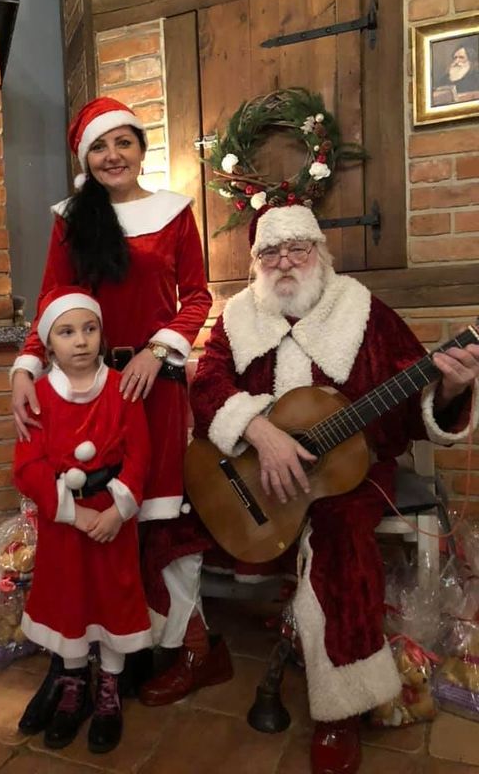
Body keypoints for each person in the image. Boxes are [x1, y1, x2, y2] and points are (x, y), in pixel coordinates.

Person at [189, 203, 479, 774]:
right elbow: (207, 386)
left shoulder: (365, 312)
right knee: (169, 518)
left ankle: (340, 705)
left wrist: (449, 391)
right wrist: (259, 431)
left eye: (297, 248)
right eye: (270, 252)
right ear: (255, 262)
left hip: (352, 475)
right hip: (252, 471)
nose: (284, 262)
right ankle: (191, 653)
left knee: (340, 539)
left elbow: (413, 409)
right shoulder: (237, 317)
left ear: (320, 253)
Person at [11, 96, 231, 712]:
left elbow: (197, 297)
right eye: (100, 147)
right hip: (83, 385)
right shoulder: (70, 220)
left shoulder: (174, 213)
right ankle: (76, 655)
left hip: (152, 386)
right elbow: (52, 298)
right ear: (87, 158)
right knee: (84, 510)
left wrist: (157, 351)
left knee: (159, 517)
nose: (113, 156)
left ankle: (171, 645)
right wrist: (27, 365)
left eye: (123, 143)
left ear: (140, 148)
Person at [14, 285, 152, 752]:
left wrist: (116, 510)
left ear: (101, 335)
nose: (80, 341)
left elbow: (140, 454)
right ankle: (74, 686)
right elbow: (28, 467)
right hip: (65, 526)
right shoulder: (38, 397)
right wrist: (73, 515)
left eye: (89, 329)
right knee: (68, 598)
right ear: (48, 344)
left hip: (113, 519)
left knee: (113, 598)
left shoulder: (121, 390)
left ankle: (109, 687)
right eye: (67, 332)